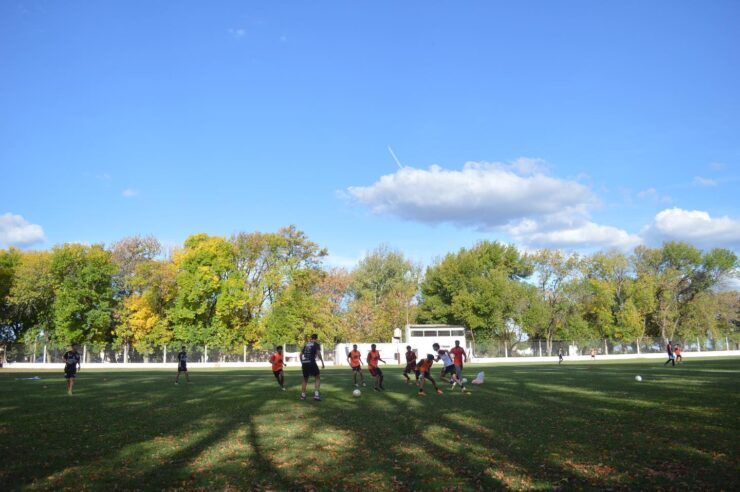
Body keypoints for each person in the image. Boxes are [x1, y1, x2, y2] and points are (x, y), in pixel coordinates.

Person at [300, 334, 325, 401]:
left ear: (311, 338)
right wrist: (322, 362)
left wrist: (302, 362)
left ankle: (303, 395)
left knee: (305, 379)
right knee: (317, 377)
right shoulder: (316, 344)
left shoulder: (306, 345)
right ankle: (316, 395)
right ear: (316, 338)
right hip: (311, 362)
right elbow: (318, 354)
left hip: (305, 363)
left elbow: (300, 354)